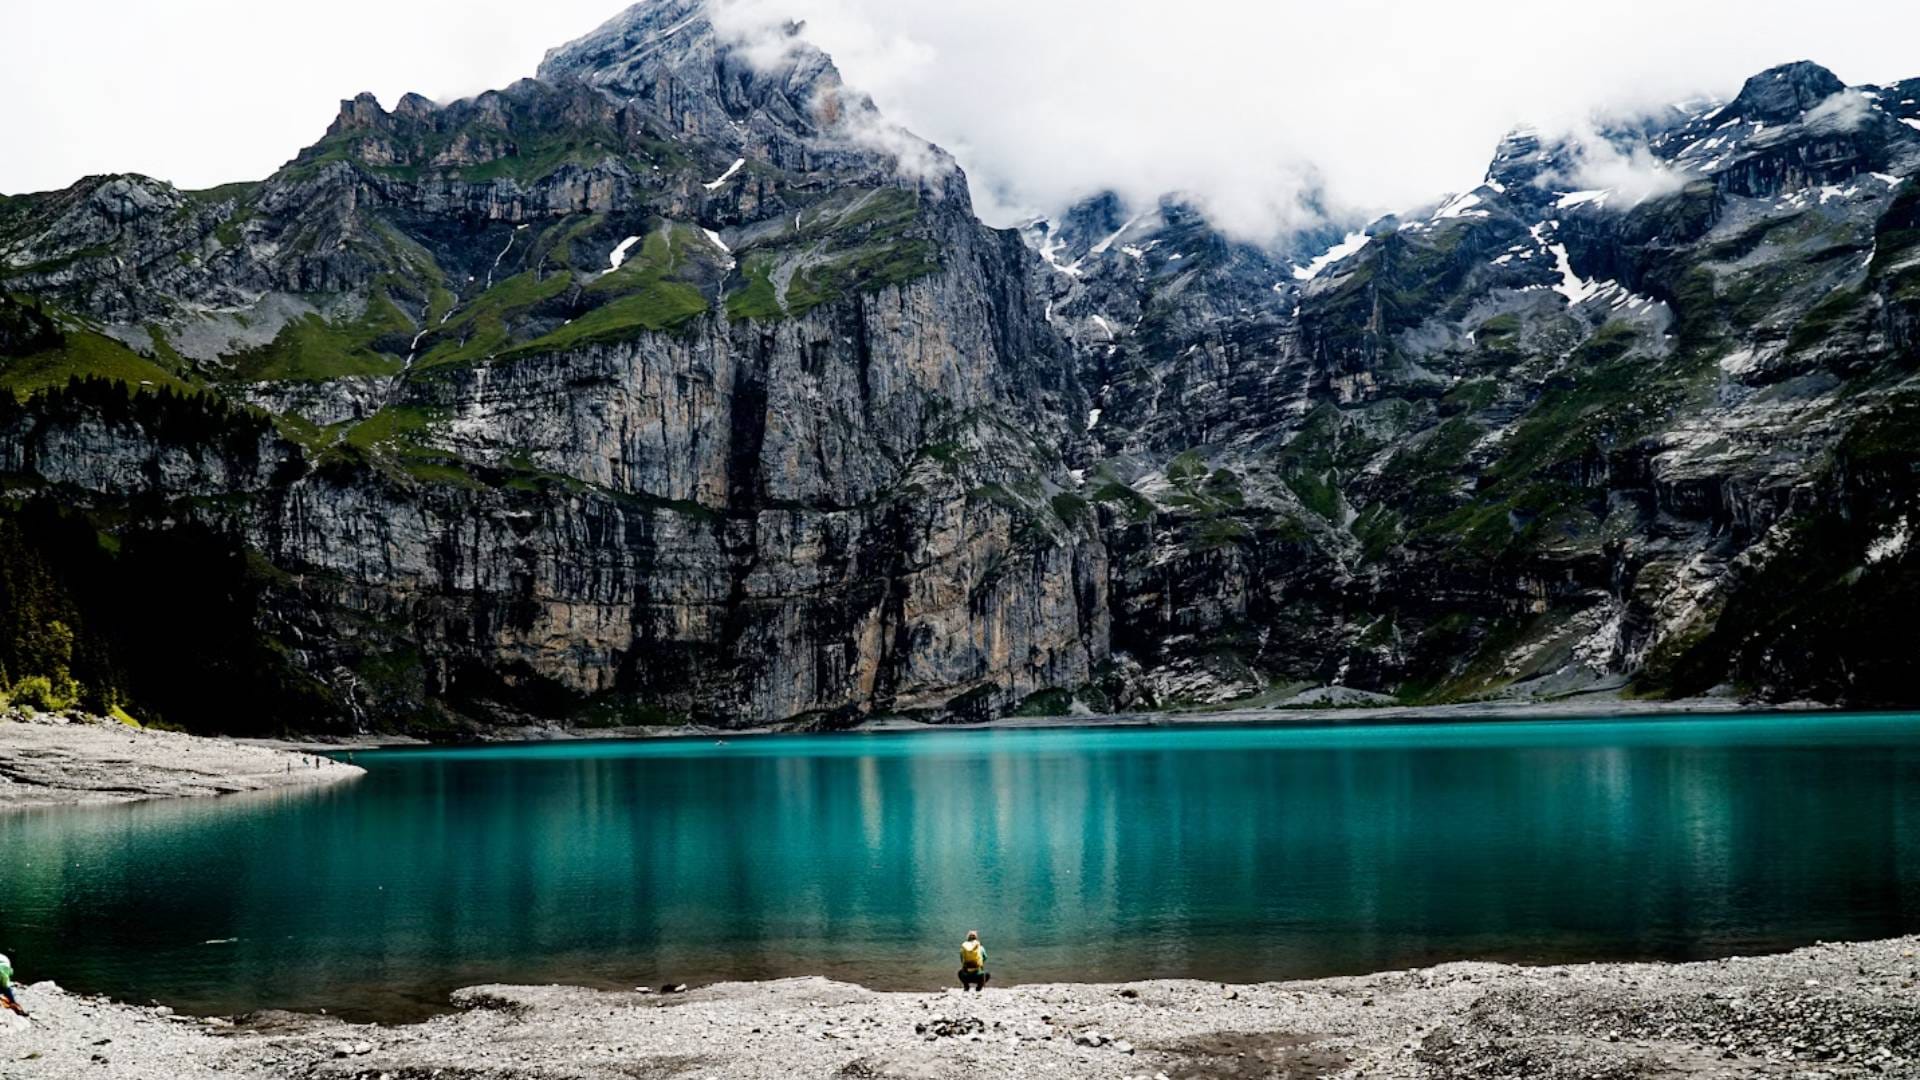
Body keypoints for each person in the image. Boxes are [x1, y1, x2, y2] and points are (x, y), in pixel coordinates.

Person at [0, 953, 28, 1019]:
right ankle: (14, 1003)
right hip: (6, 964)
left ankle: (13, 1004)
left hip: (3, 965)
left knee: (5, 986)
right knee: (5, 986)